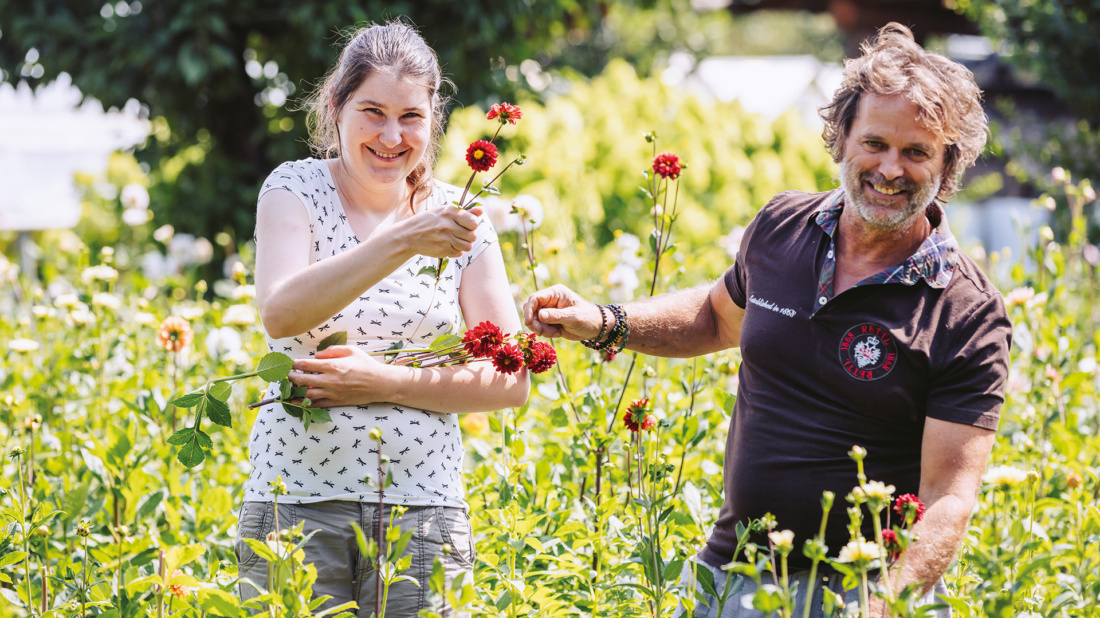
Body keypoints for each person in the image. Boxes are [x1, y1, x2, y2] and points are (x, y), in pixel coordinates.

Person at [523, 23, 1009, 617]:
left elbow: (947, 498)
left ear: (947, 164)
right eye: (875, 143)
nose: (890, 168)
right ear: (842, 139)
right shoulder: (783, 226)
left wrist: (885, 606)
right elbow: (713, 318)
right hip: (735, 575)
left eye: (916, 152)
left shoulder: (964, 308)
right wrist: (603, 320)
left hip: (861, 591)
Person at [236, 20, 529, 618]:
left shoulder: (462, 221)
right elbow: (281, 312)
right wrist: (403, 240)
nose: (391, 136)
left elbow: (510, 379)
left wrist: (384, 382)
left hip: (424, 508)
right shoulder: (294, 189)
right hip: (297, 500)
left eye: (411, 117)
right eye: (373, 111)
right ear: (337, 107)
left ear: (432, 121)